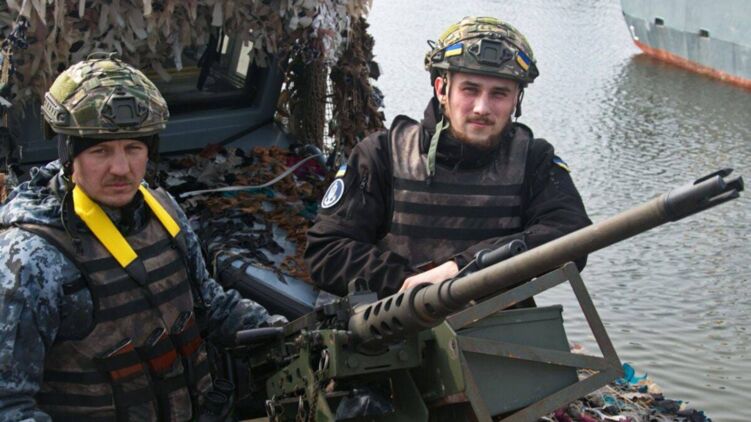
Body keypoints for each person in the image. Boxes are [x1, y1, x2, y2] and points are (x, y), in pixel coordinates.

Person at [0, 53, 282, 421]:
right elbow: (8, 405)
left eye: (134, 148)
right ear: (68, 156)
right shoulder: (31, 259)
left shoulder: (162, 210)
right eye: (100, 151)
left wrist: (281, 333)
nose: (121, 168)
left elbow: (210, 307)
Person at [305, 17, 592, 298]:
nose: (482, 107)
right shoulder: (382, 155)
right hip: (400, 318)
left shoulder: (535, 161)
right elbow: (327, 251)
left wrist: (464, 267)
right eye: (470, 89)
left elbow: (571, 237)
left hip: (503, 321)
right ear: (442, 89)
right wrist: (411, 285)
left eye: (499, 94)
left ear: (516, 99)